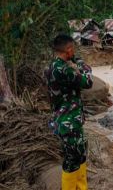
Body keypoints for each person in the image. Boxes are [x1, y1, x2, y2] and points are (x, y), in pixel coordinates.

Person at [45, 34, 93, 190]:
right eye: (73, 49)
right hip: (70, 122)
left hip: (63, 119)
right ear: (69, 49)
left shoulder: (50, 67)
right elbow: (88, 82)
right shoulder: (65, 69)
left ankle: (81, 187)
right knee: (72, 160)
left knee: (79, 155)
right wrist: (83, 65)